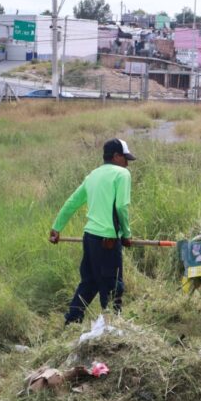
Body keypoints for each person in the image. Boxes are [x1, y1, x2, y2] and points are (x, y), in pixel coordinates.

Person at [49, 138, 136, 325]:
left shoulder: (93, 176)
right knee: (112, 286)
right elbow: (121, 206)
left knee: (90, 283)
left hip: (89, 238)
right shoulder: (122, 174)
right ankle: (112, 326)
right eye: (125, 158)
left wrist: (57, 227)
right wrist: (127, 235)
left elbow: (72, 202)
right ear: (116, 156)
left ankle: (72, 322)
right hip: (108, 240)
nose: (127, 163)